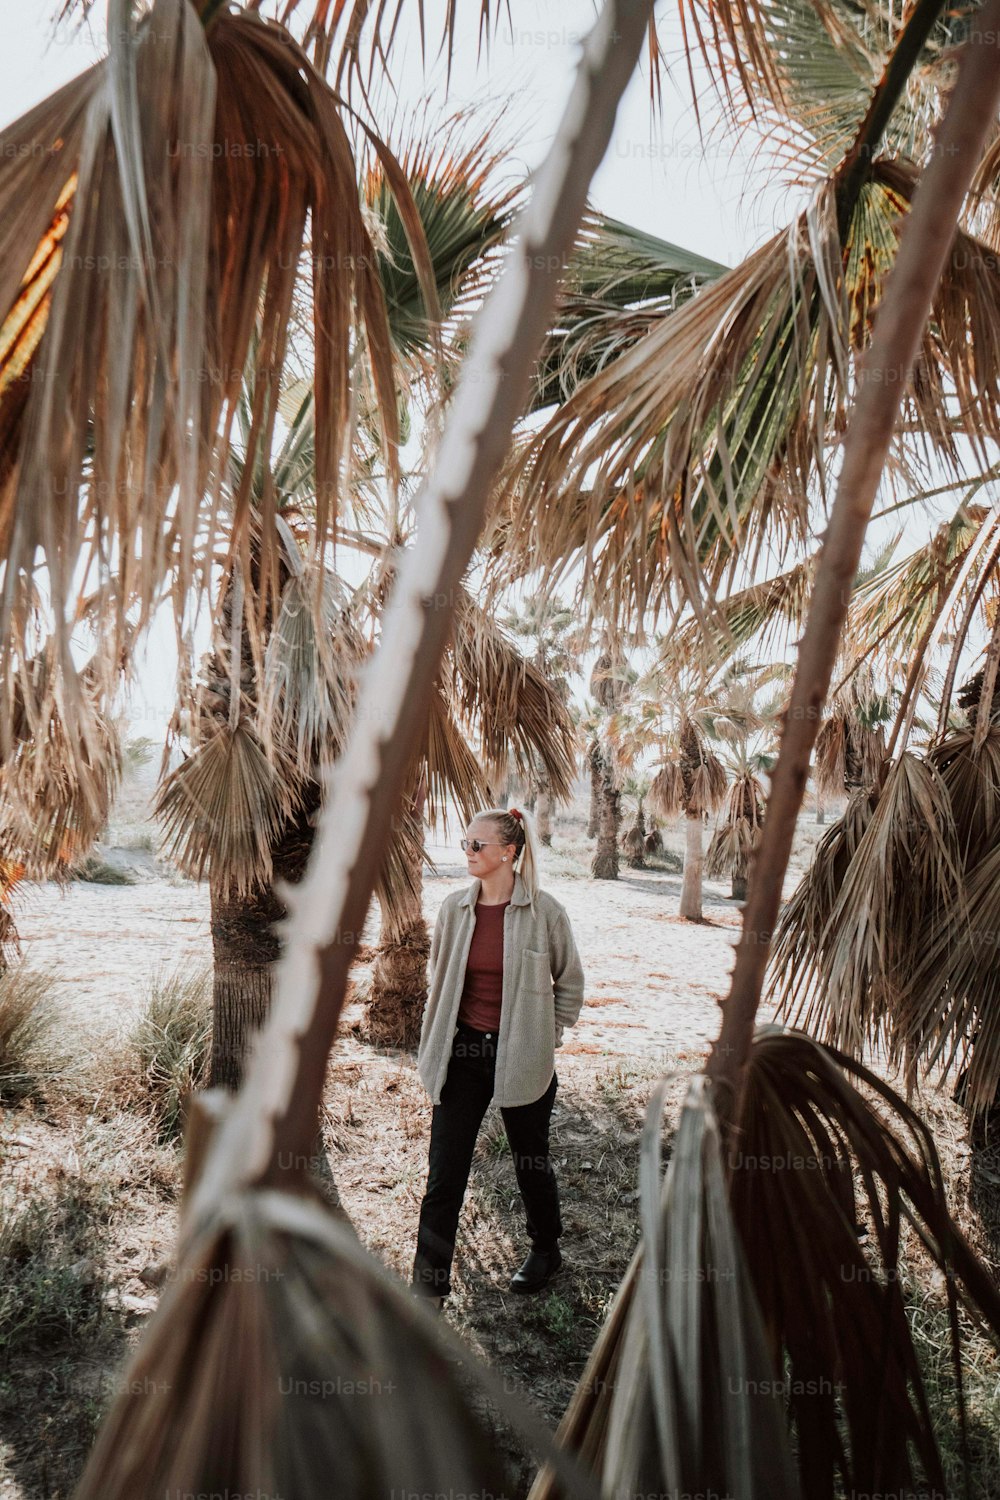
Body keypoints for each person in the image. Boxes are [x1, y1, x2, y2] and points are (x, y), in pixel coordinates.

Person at [411, 805, 585, 1310]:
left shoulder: (545, 912)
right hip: (462, 1053)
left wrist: (544, 1036)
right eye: (465, 843)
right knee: (445, 1172)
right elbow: (437, 979)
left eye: (477, 845)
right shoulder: (453, 910)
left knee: (531, 1162)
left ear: (508, 852)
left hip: (522, 1055)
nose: (467, 852)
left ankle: (546, 1249)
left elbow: (568, 984)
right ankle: (428, 1287)